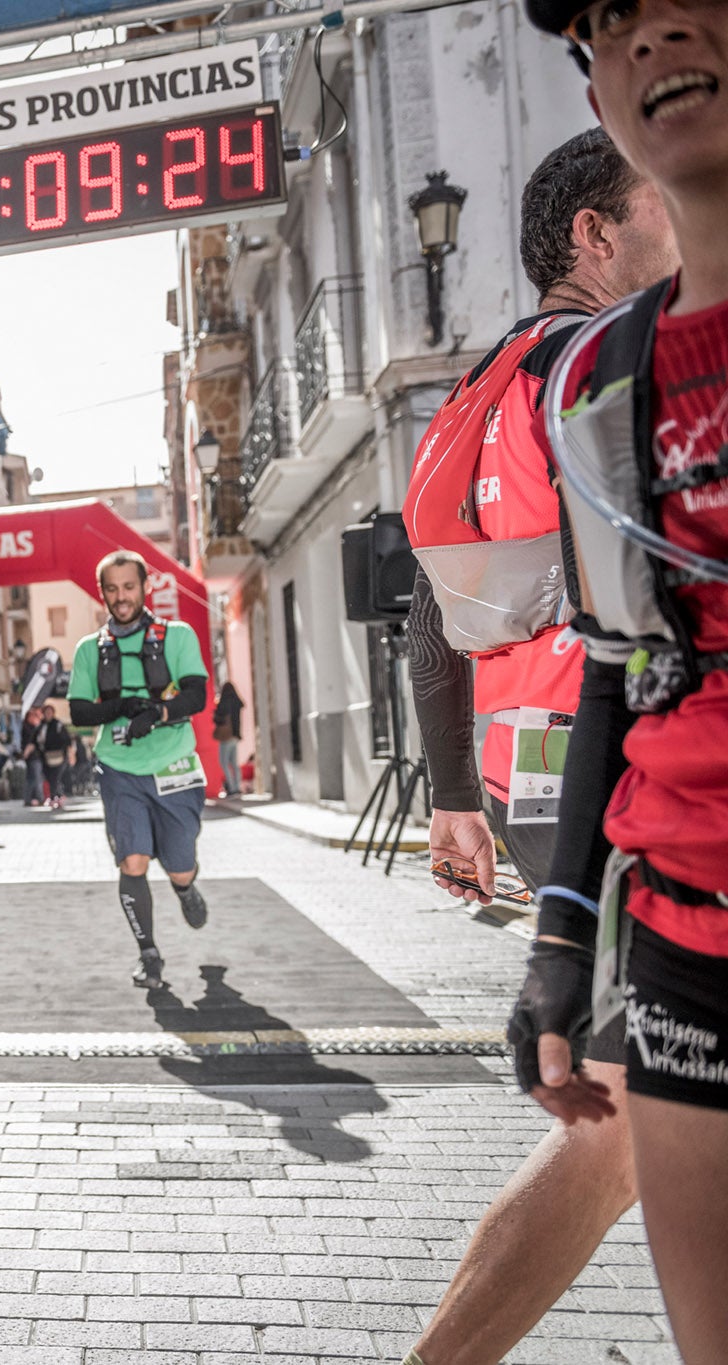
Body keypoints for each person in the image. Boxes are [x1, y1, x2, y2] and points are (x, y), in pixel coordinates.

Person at [401, 128, 678, 1365]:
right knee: (623, 1119)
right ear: (593, 233)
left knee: (626, 1123)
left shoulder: (483, 387)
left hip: (537, 780)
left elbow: (431, 615)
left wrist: (453, 792)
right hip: (634, 777)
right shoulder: (618, 362)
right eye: (661, 203)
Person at [505, 0, 728, 1354]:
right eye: (606, 20)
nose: (646, 34)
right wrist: (560, 947)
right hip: (692, 955)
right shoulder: (605, 383)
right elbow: (614, 666)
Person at [67, 550, 210, 988]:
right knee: (132, 862)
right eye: (112, 589)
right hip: (118, 768)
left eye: (128, 587)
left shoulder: (178, 635)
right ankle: (149, 955)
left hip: (174, 765)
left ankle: (185, 888)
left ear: (144, 587)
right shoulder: (90, 649)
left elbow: (197, 695)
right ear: (102, 593)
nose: (121, 597)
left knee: (180, 865)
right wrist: (121, 708)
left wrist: (159, 714)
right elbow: (78, 712)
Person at [212, 682, 246, 797]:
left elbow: (218, 718)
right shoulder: (236, 702)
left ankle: (232, 788)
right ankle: (237, 786)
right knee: (234, 764)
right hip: (235, 735)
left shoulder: (224, 702)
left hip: (226, 737)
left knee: (224, 762)